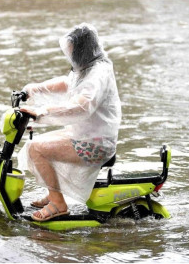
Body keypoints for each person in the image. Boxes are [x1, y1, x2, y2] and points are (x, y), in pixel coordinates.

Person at [17, 23, 122, 222]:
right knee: (36, 144)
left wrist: (42, 112)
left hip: (96, 144)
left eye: (72, 52)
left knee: (36, 149)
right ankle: (54, 192)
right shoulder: (87, 67)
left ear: (82, 51)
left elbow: (82, 106)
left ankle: (57, 203)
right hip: (87, 134)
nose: (70, 57)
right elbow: (67, 83)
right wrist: (36, 88)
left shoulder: (98, 73)